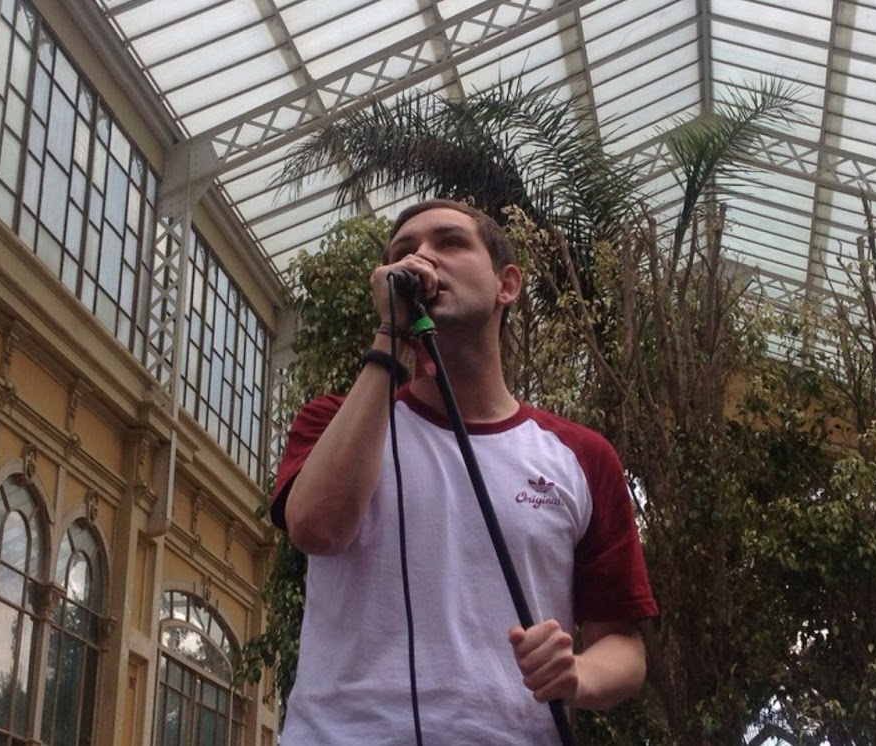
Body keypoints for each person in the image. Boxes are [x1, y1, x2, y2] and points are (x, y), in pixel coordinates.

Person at [270, 199, 658, 744]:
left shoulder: (582, 456)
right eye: (403, 251)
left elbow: (623, 645)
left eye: (450, 242)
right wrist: (390, 335)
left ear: (507, 285)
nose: (421, 258)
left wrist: (577, 675)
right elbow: (317, 528)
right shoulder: (335, 421)